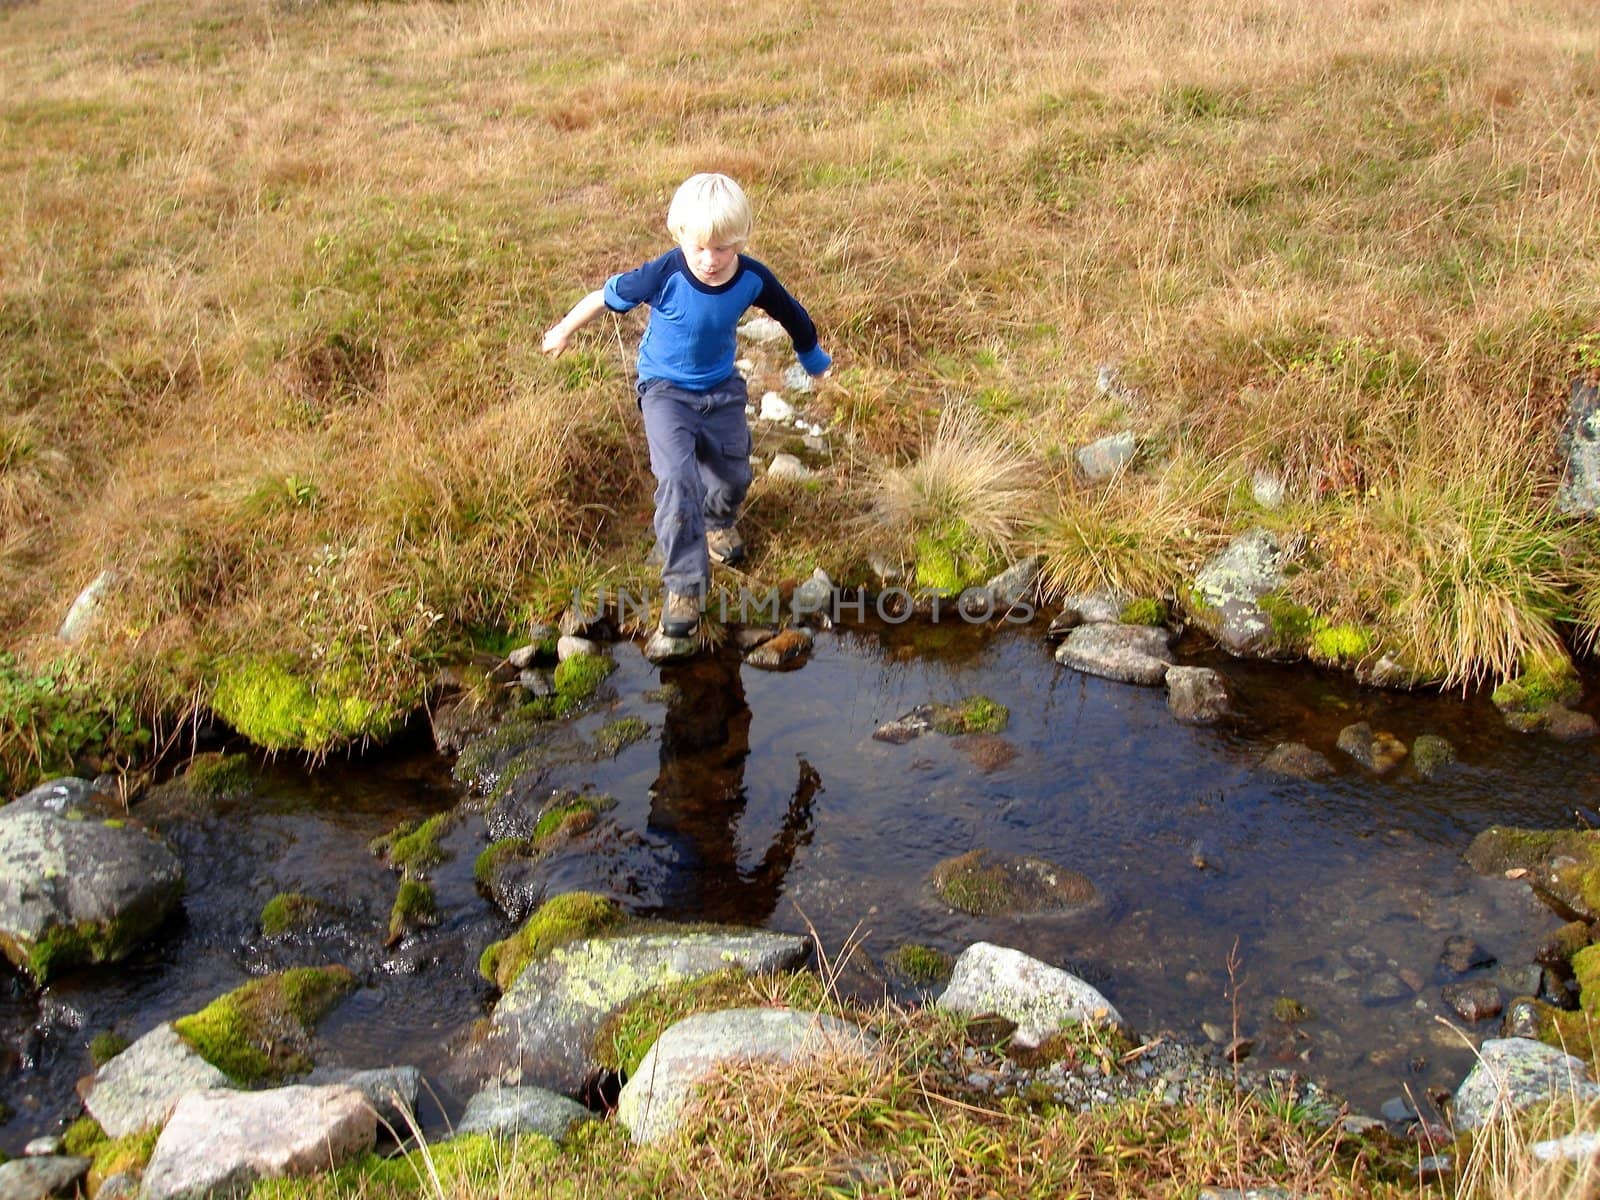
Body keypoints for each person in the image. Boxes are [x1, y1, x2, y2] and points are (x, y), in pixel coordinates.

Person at [541, 173, 832, 638]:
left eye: (723, 248)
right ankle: (684, 585)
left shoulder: (752, 277)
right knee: (677, 482)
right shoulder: (665, 273)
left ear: (739, 241)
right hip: (664, 391)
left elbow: (792, 314)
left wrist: (813, 359)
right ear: (680, 236)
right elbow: (603, 296)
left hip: (720, 388)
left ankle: (717, 522)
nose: (711, 260)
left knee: (734, 473)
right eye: (700, 247)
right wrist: (562, 330)